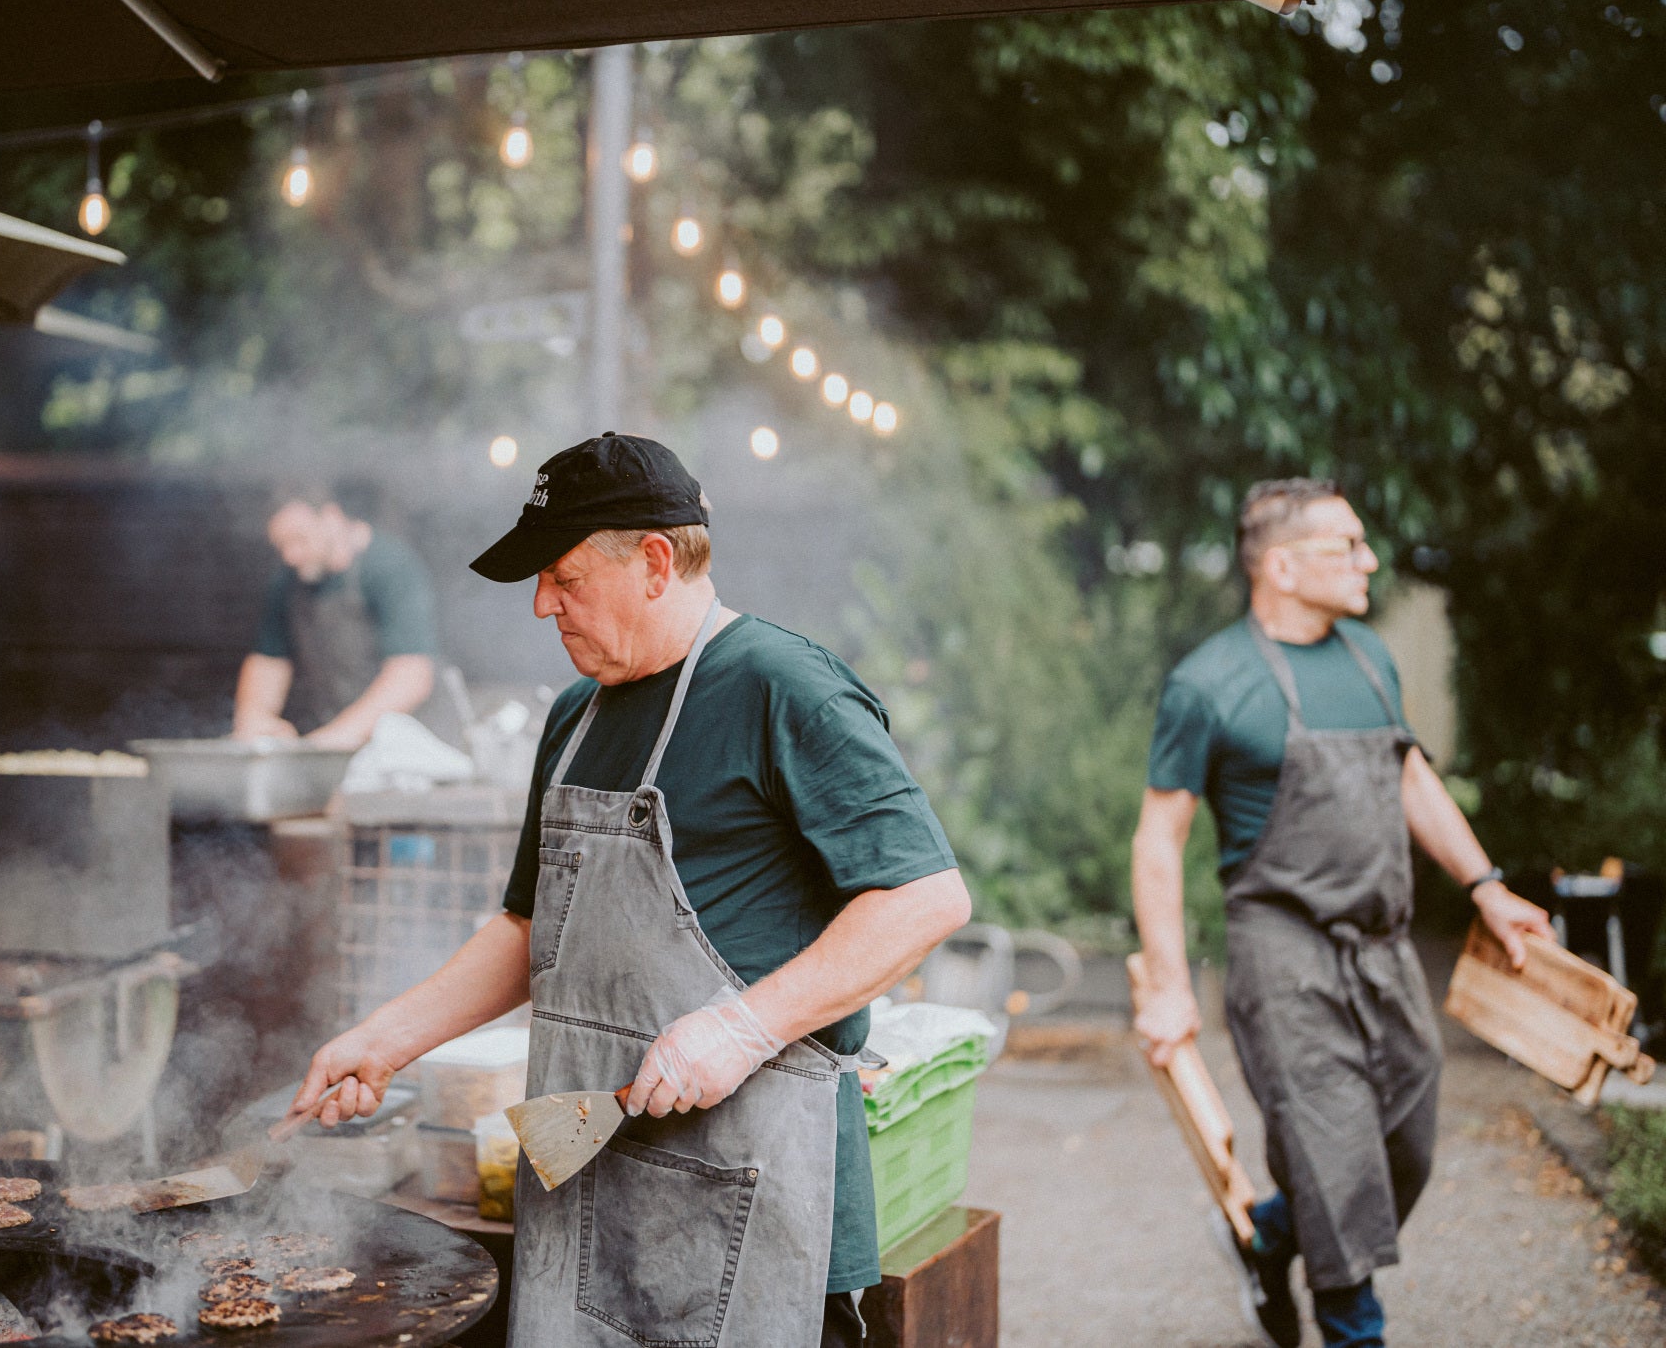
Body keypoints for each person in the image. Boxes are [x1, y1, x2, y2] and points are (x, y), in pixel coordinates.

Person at [281, 434, 972, 1348]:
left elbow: (926, 896)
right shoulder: (575, 716)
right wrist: (385, 1037)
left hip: (753, 1199)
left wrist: (743, 1026)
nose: (541, 605)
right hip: (582, 1191)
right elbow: (532, 927)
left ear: (653, 561)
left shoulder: (783, 686)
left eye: (564, 577)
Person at [1130, 477, 1554, 1348]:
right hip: (1279, 948)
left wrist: (1487, 886)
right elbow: (1158, 840)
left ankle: (1271, 1232)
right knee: (1332, 1148)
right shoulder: (1209, 682)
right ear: (1280, 566)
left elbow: (1409, 778)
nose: (1368, 561)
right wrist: (1169, 987)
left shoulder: (1370, 657)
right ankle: (1355, 1329)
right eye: (1347, 545)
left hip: (1381, 943)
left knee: (1407, 1139)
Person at [231, 477, 437, 749]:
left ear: (331, 518)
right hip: (338, 742)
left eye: (299, 540)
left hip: (409, 749)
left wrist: (333, 740)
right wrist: (253, 721)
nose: (290, 555)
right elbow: (268, 662)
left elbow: (411, 675)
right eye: (281, 546)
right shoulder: (287, 583)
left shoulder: (390, 566)